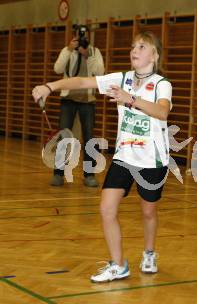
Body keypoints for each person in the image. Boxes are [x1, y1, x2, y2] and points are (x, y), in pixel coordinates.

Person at [32, 32, 172, 283]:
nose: (134, 50)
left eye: (142, 46)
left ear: (155, 55)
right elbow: (83, 83)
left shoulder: (162, 84)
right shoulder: (122, 78)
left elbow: (162, 112)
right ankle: (119, 265)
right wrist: (50, 86)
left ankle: (149, 253)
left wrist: (130, 99)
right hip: (124, 157)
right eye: (133, 46)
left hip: (152, 159)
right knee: (107, 209)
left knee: (148, 212)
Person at [52, 25, 105, 187]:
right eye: (80, 35)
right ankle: (58, 174)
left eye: (84, 36)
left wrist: (88, 55)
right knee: (63, 138)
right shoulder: (67, 50)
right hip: (68, 99)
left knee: (89, 138)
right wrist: (69, 50)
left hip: (87, 100)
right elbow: (57, 69)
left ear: (89, 37)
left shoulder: (94, 52)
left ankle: (89, 175)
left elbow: (100, 72)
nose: (82, 38)